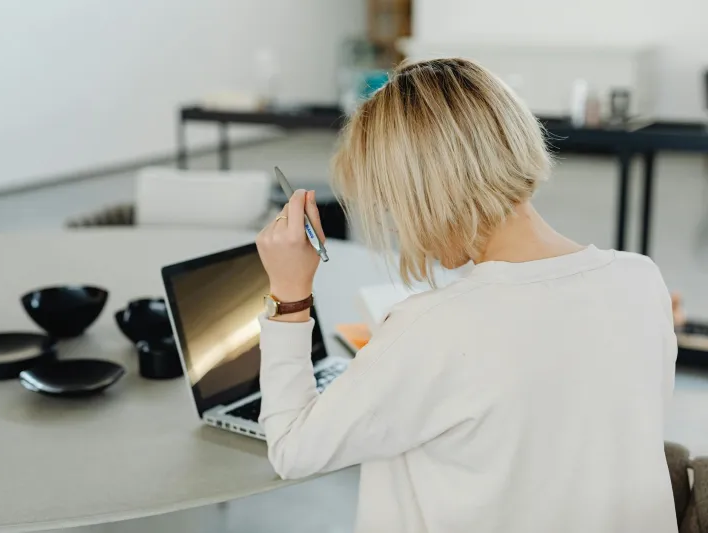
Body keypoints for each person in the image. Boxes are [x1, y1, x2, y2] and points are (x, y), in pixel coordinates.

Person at [255, 58, 678, 533]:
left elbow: (292, 449)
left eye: (392, 205)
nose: (399, 229)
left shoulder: (431, 325)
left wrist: (289, 294)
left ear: (425, 194)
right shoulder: (640, 279)